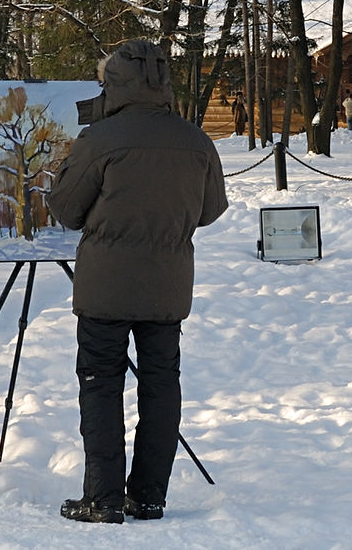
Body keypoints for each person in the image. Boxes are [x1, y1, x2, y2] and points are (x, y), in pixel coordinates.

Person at [46, 39, 228, 525]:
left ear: (114, 85)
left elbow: (65, 209)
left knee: (101, 385)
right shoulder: (196, 140)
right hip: (168, 285)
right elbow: (210, 211)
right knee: (162, 386)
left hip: (106, 286)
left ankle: (102, 498)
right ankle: (148, 496)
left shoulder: (100, 140)